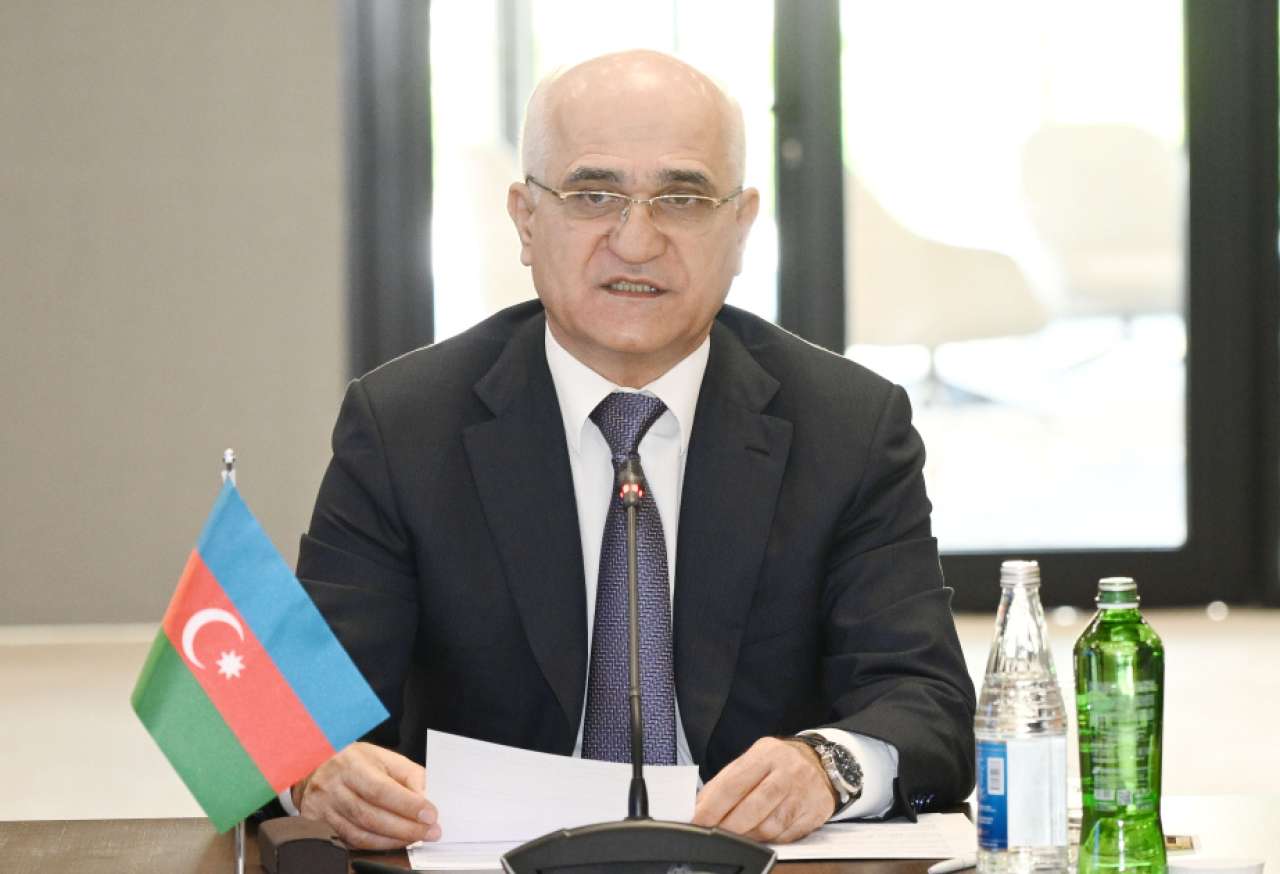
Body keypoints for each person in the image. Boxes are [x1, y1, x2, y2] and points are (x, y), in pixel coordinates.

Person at [287, 49, 975, 850]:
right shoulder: (405, 427)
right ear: (525, 219)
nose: (637, 240)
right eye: (593, 195)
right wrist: (318, 771)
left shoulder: (849, 427)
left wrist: (826, 766)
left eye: (682, 198)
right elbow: (305, 712)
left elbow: (926, 703)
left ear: (740, 227)